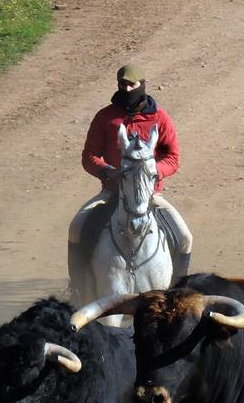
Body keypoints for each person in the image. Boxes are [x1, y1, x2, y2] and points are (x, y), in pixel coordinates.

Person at [67, 64, 193, 296]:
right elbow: (89, 156)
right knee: (76, 228)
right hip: (111, 192)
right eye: (122, 85)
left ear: (142, 85)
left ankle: (177, 295)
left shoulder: (160, 118)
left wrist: (154, 170)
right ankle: (78, 288)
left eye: (131, 85)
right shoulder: (105, 117)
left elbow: (173, 158)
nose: (126, 89)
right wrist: (106, 171)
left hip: (151, 195)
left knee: (185, 237)